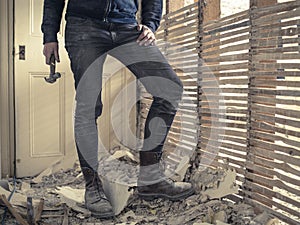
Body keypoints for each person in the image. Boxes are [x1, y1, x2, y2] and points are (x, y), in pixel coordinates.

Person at [42, 0, 194, 218]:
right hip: (84, 26)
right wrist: (49, 35)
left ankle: (150, 180)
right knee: (88, 105)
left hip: (127, 27)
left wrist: (150, 24)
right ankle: (92, 188)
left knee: (169, 89)